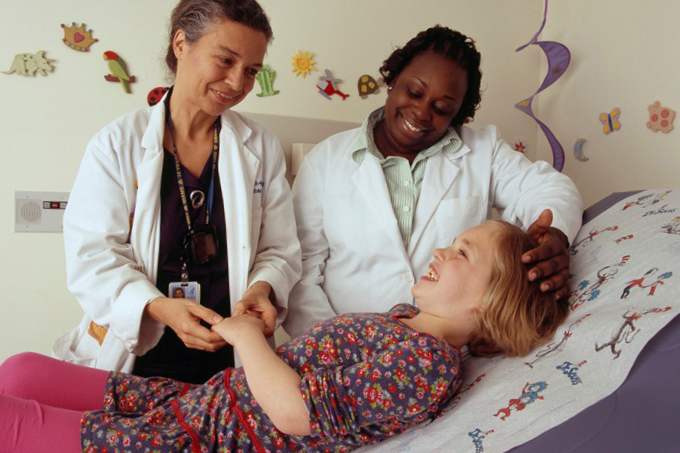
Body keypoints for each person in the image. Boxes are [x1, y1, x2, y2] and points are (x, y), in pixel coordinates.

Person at [0, 220, 569, 452]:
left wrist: (248, 337)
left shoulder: (429, 364)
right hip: (198, 405)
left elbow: (298, 415)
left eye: (463, 252)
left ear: (488, 301)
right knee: (22, 369)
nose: (442, 250)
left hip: (209, 441)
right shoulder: (401, 321)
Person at [52, 0, 301, 384]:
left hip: (229, 362)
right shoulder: (118, 144)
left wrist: (262, 288)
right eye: (225, 60)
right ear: (181, 44)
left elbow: (280, 249)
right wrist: (157, 307)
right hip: (137, 359)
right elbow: (93, 258)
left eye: (251, 71)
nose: (237, 83)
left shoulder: (260, 147)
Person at [284, 25, 584, 338]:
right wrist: (335, 346)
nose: (422, 112)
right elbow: (302, 269)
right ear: (393, 80)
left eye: (442, 108)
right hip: (344, 359)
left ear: (459, 113)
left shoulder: (484, 150)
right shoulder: (326, 160)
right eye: (413, 92)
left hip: (451, 353)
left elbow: (551, 189)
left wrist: (554, 235)